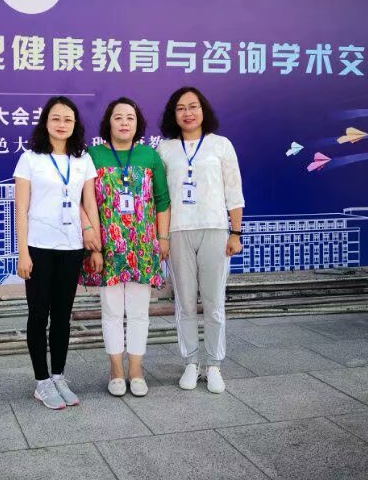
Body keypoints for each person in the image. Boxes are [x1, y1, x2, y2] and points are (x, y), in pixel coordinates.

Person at [14, 96, 101, 409]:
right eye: (56, 118)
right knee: (39, 315)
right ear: (45, 123)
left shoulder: (82, 159)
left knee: (63, 316)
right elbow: (21, 210)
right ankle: (42, 382)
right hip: (39, 247)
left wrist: (96, 246)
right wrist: (23, 253)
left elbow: (89, 204)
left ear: (75, 124)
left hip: (71, 247)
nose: (62, 124)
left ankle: (59, 376)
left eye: (68, 119)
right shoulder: (30, 159)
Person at [156, 87, 244, 394]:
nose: (188, 113)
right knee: (184, 303)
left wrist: (235, 232)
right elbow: (160, 198)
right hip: (178, 231)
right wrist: (161, 236)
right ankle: (191, 362)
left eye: (193, 106)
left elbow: (234, 191)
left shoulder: (221, 145)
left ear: (203, 110)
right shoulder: (165, 149)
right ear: (174, 114)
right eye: (181, 108)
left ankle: (214, 364)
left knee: (213, 302)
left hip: (215, 229)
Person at [80, 97, 170, 397]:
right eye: (118, 117)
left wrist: (163, 238)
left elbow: (162, 201)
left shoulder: (149, 156)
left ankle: (136, 370)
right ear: (108, 122)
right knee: (111, 312)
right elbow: (83, 201)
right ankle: (116, 370)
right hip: (107, 247)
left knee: (139, 311)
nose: (124, 122)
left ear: (137, 123)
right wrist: (93, 243)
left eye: (130, 117)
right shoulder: (93, 156)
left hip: (142, 247)